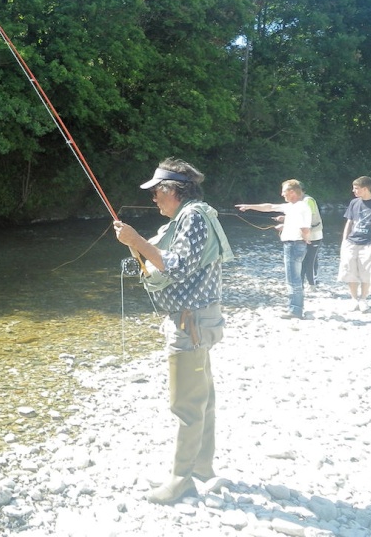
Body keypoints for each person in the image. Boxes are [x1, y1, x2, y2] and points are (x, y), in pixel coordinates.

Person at [114, 158, 233, 506]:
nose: (154, 199)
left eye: (156, 192)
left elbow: (175, 265)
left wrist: (135, 239)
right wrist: (136, 245)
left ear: (171, 190)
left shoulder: (194, 216)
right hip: (195, 320)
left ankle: (181, 480)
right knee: (203, 400)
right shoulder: (191, 215)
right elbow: (170, 257)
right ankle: (201, 468)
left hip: (190, 324)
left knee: (187, 405)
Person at [236, 179, 312, 319]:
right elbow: (269, 207)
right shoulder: (293, 206)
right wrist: (249, 206)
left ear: (292, 192)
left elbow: (305, 228)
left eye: (284, 192)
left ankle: (295, 311)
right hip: (295, 244)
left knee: (293, 280)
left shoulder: (300, 207)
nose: (282, 194)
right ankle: (296, 308)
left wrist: (306, 238)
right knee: (294, 279)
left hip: (294, 245)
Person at [338, 176, 371, 312]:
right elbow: (349, 222)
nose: (353, 191)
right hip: (351, 242)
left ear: (365, 189)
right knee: (350, 271)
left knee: (366, 273)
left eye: (356, 188)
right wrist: (344, 241)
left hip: (369, 244)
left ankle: (363, 300)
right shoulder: (354, 203)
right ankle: (354, 299)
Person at [301, 188, 324, 287]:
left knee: (310, 260)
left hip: (314, 235)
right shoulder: (299, 201)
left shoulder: (308, 200)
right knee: (303, 260)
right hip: (306, 235)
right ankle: (301, 284)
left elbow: (308, 217)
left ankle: (312, 284)